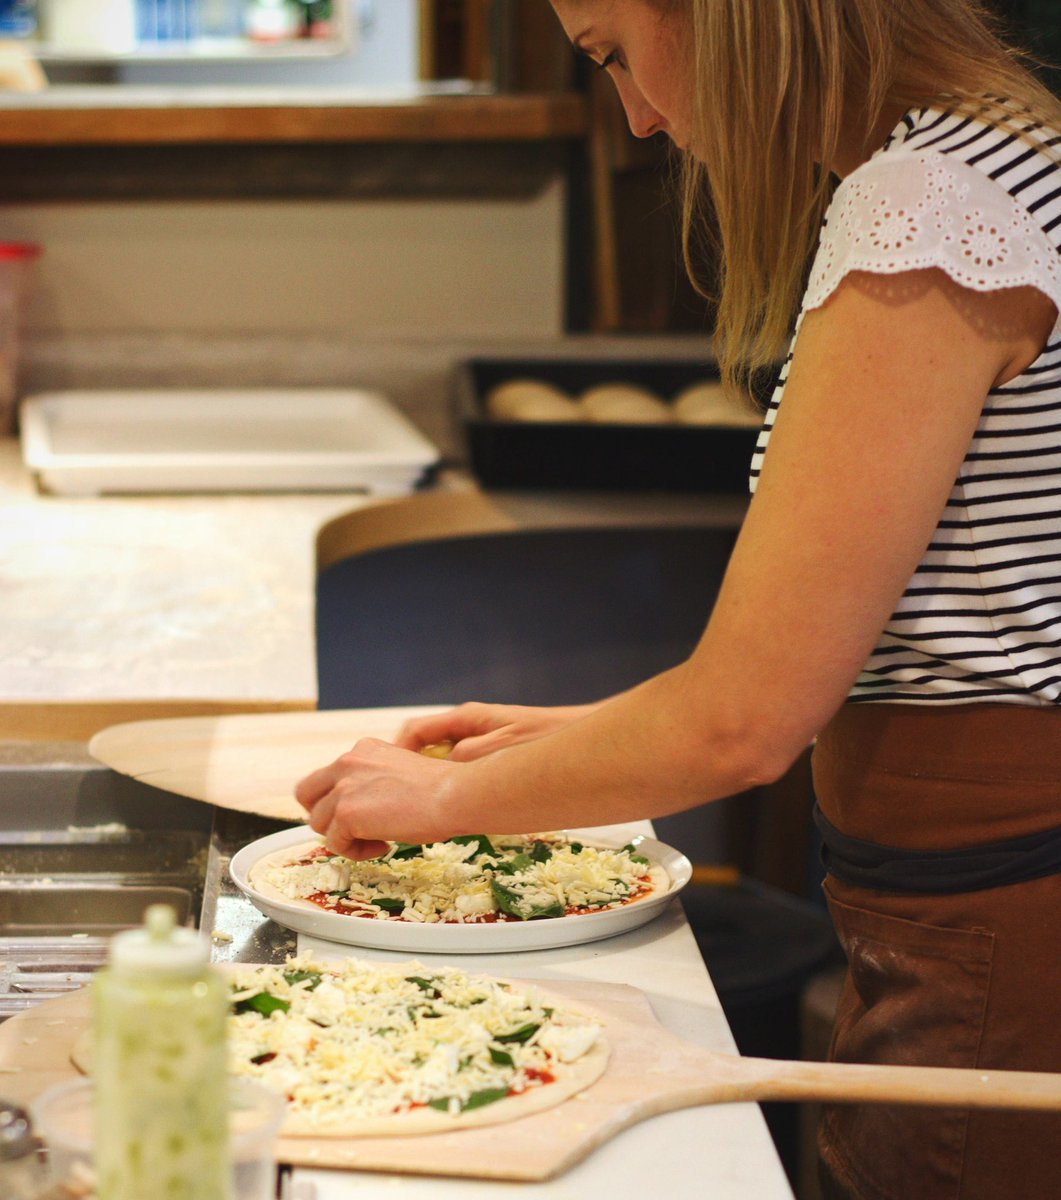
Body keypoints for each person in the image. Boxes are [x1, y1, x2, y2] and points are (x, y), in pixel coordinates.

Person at [296, 2, 1061, 1196]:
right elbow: (886, 646)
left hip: (1000, 909)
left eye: (610, 53)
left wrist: (447, 801)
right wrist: (587, 738)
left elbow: (742, 725)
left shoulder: (928, 209)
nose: (639, 119)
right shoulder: (1005, 147)